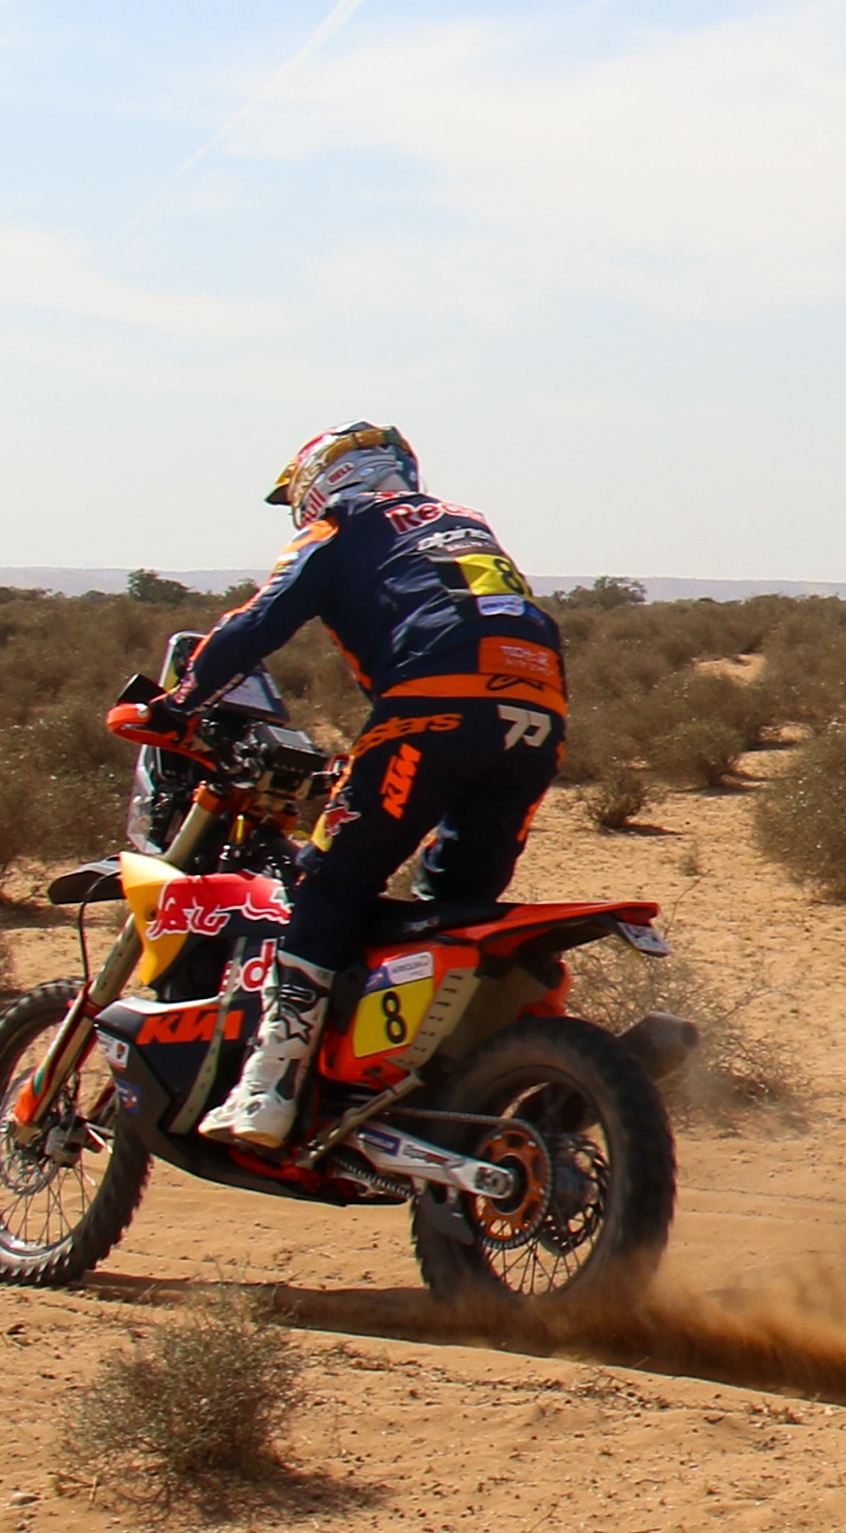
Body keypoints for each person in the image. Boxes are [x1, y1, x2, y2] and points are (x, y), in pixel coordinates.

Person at [148, 424, 568, 1151]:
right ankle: (438, 1089)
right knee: (454, 909)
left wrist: (178, 704)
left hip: (436, 706)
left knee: (329, 880)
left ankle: (269, 1088)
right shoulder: (466, 522)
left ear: (323, 479)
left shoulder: (340, 526)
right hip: (537, 711)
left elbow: (258, 622)